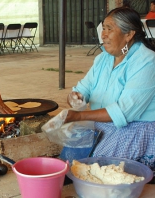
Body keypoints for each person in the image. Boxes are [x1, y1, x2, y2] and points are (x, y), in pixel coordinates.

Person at [64, 7, 155, 171]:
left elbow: (124, 112)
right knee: (70, 163)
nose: (103, 34)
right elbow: (83, 88)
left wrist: (79, 115)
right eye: (103, 28)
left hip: (133, 129)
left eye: (109, 29)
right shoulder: (103, 59)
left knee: (94, 170)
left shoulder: (147, 62)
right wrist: (76, 97)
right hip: (100, 124)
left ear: (129, 34)